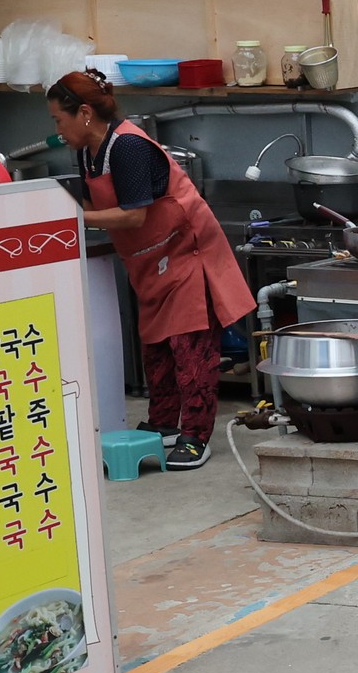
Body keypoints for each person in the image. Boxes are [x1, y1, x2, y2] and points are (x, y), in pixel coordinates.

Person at [48, 71, 251, 471]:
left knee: (190, 348)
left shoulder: (128, 148)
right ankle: (163, 426)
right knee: (156, 348)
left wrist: (71, 219)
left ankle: (195, 436)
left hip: (186, 251)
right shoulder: (88, 153)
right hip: (149, 261)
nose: (56, 129)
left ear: (84, 113)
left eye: (58, 119)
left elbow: (133, 214)